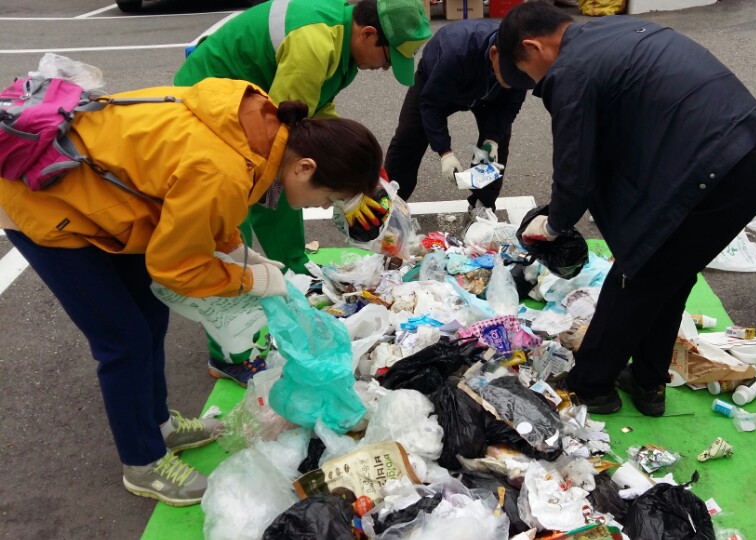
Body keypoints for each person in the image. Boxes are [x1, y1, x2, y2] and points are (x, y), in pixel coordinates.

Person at [0, 78, 383, 506]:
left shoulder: (263, 126)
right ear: (305, 167)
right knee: (123, 341)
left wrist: (237, 252)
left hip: (109, 193)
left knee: (149, 317)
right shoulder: (224, 169)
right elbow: (174, 267)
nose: (321, 208)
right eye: (328, 197)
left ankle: (159, 424)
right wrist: (248, 280)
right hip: (50, 204)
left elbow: (196, 200)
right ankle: (142, 463)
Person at [499, 3, 756, 416]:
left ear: (534, 47)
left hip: (720, 166)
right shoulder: (612, 31)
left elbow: (575, 170)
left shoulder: (570, 70)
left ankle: (591, 385)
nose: (534, 81)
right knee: (669, 270)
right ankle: (649, 383)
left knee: (637, 271)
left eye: (527, 72)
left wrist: (555, 223)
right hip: (755, 152)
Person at [174, 0, 431, 385]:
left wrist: (364, 173)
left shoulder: (343, 47)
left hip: (252, 111)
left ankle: (290, 270)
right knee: (235, 222)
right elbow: (285, 141)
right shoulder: (315, 44)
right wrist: (345, 192)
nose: (384, 67)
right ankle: (230, 351)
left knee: (282, 192)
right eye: (387, 57)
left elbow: (314, 110)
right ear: (368, 33)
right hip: (212, 114)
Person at [384, 19, 529, 216]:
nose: (512, 84)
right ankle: (390, 203)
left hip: (490, 94)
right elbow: (430, 104)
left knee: (497, 143)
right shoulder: (456, 55)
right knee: (408, 137)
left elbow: (510, 106)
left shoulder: (521, 66)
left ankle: (482, 204)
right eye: (509, 77)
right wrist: (445, 152)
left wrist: (492, 139)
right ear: (494, 54)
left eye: (517, 80)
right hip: (439, 81)